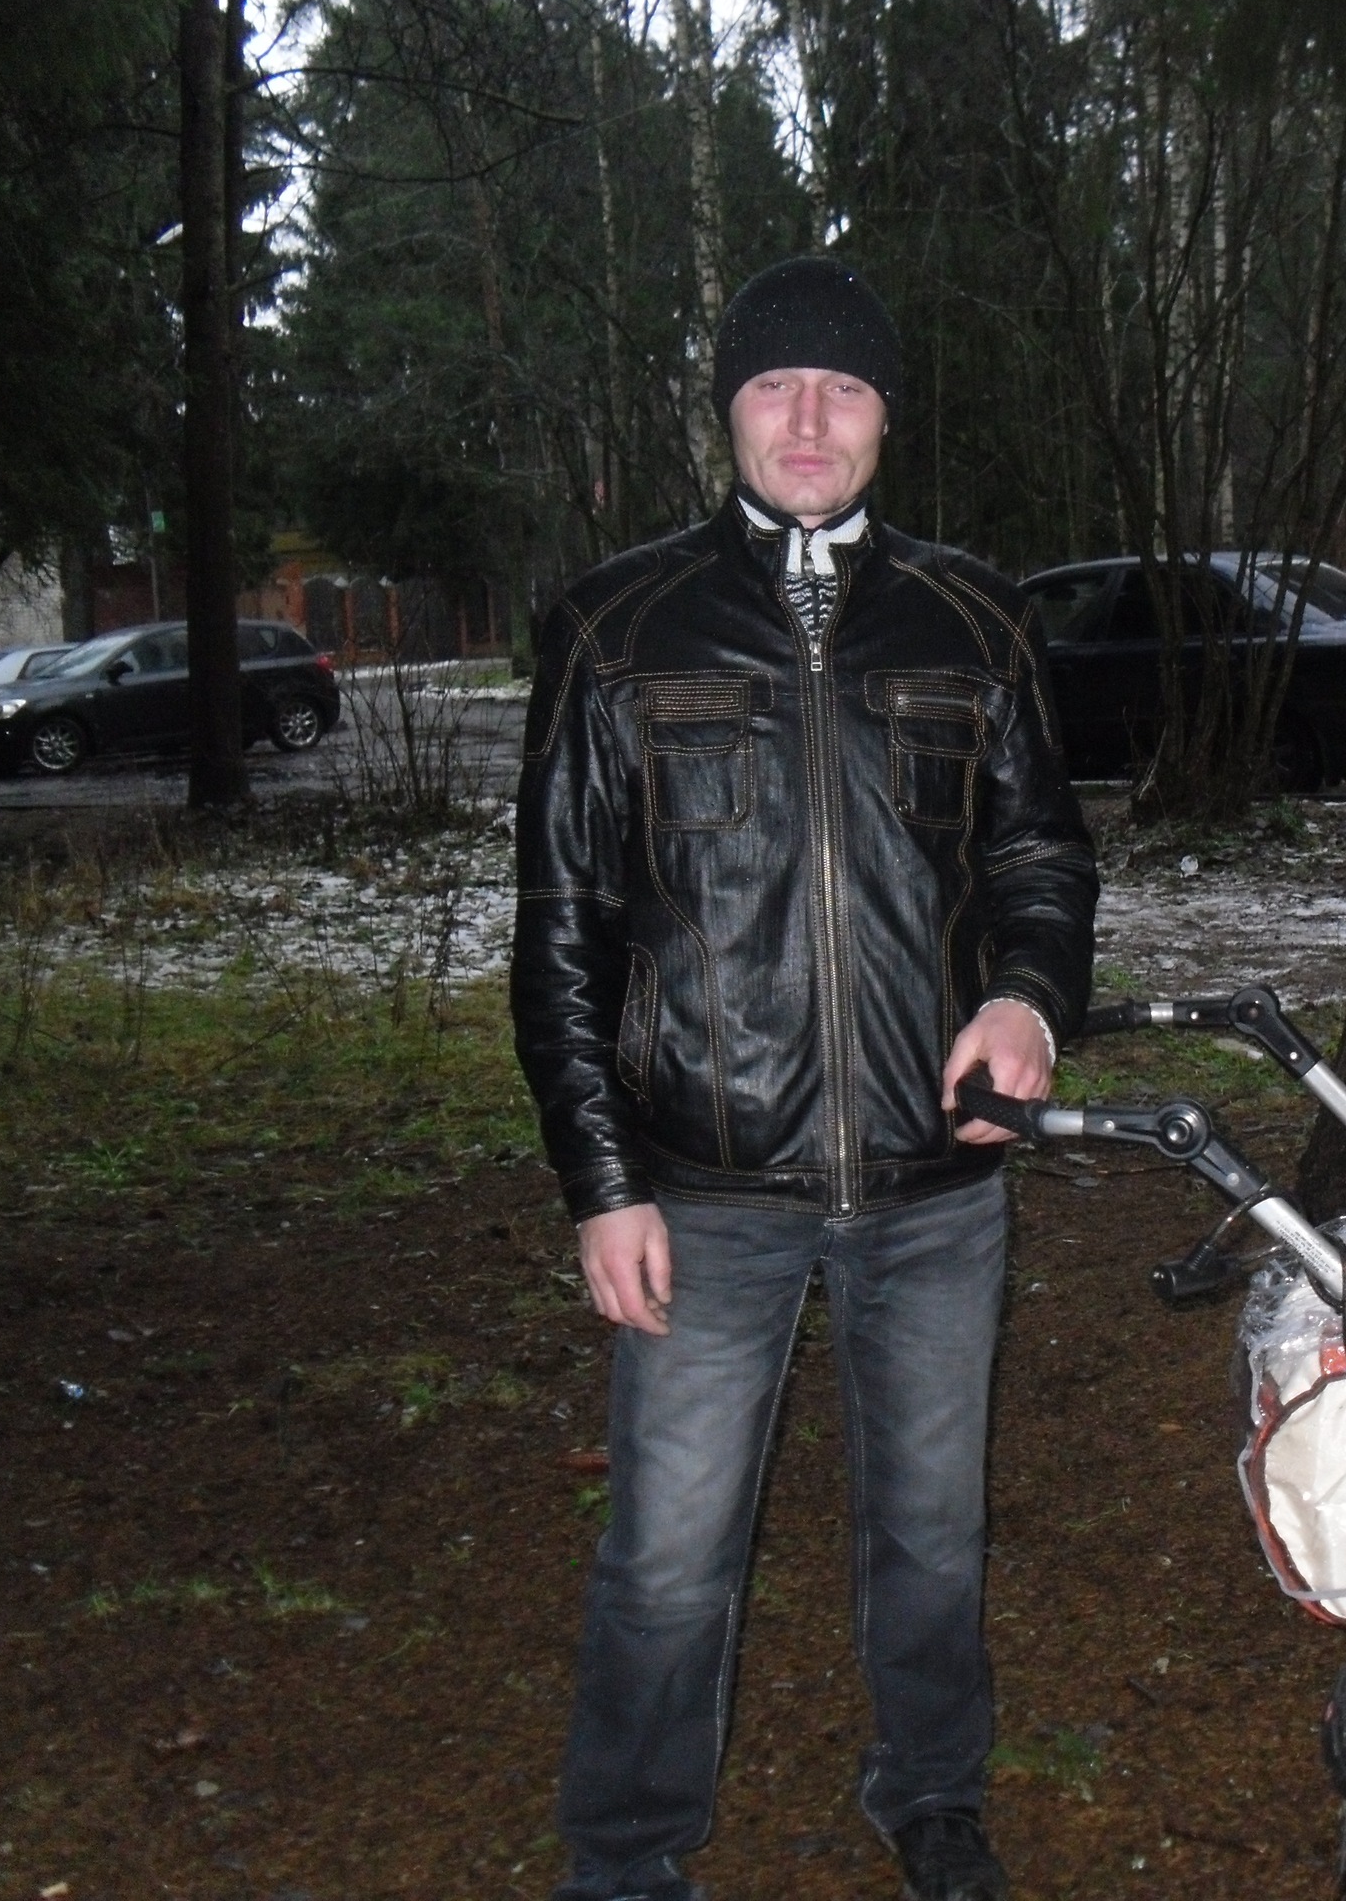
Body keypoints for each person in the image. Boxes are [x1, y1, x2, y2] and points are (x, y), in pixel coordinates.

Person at [511, 255, 1097, 1901]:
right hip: (702, 1187)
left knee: (933, 1535)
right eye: (777, 386)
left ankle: (934, 1795)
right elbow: (561, 932)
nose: (811, 420)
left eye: (844, 388)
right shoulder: (617, 628)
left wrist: (1031, 1002)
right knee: (667, 1555)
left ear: (888, 417)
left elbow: (1043, 858)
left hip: (937, 1184)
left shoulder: (977, 620)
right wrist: (600, 1183)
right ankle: (626, 1854)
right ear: (729, 412)